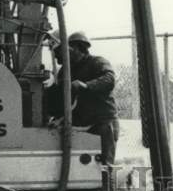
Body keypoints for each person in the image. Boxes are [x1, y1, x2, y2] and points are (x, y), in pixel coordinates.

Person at [48, 31, 120, 165]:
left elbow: (109, 80)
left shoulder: (97, 62)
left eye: (68, 49)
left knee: (104, 167)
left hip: (103, 123)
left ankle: (107, 185)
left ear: (77, 48)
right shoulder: (66, 70)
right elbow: (59, 97)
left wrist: (86, 86)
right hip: (82, 126)